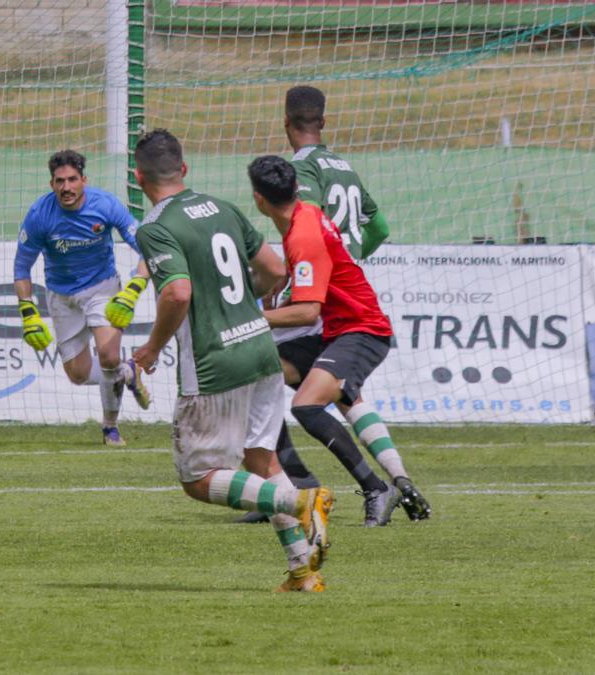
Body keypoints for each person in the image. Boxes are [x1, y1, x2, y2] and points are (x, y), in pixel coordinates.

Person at [128, 129, 334, 592]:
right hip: (261, 350)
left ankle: (304, 500)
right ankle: (302, 569)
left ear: (138, 176)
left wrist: (152, 348)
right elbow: (276, 270)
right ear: (183, 169)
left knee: (199, 479)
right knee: (261, 458)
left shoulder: (156, 227)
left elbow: (178, 292)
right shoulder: (223, 207)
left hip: (214, 363)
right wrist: (242, 306)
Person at [241, 86, 429, 527]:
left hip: (350, 324)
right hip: (335, 318)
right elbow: (377, 226)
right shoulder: (338, 172)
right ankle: (383, 482)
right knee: (262, 375)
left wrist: (252, 315)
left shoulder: (304, 204)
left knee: (307, 404)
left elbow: (305, 308)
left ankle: (372, 488)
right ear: (322, 121)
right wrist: (340, 260)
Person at [13, 150, 152, 445]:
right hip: (62, 297)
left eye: (72, 179)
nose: (67, 187)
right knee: (77, 374)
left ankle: (110, 427)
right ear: (51, 184)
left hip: (102, 288)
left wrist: (134, 288)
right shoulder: (39, 215)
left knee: (108, 356)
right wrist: (28, 312)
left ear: (84, 180)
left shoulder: (106, 205)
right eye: (60, 181)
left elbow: (146, 248)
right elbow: (21, 268)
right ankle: (130, 371)